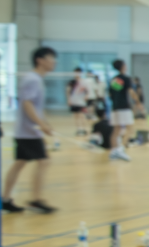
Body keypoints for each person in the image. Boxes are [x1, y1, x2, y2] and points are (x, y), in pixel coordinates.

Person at [2, 46, 59, 213]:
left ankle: (5, 199)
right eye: (50, 58)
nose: (54, 62)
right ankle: (36, 199)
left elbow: (35, 106)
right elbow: (27, 103)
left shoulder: (35, 79)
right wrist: (41, 124)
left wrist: (45, 123)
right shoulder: (32, 79)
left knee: (19, 163)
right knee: (44, 161)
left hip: (26, 131)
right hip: (29, 132)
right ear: (39, 60)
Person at [108, 58, 142, 162]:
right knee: (130, 129)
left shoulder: (113, 80)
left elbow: (110, 95)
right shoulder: (126, 78)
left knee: (116, 130)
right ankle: (120, 150)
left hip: (115, 108)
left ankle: (113, 151)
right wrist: (138, 103)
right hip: (124, 107)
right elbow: (131, 92)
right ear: (123, 67)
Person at [67, 67, 90, 135]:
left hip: (81, 102)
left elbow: (88, 91)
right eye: (75, 72)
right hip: (74, 101)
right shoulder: (72, 82)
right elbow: (68, 91)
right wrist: (69, 100)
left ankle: (84, 129)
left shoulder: (84, 82)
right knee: (76, 116)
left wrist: (86, 96)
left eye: (78, 72)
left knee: (82, 115)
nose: (76, 74)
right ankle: (78, 129)